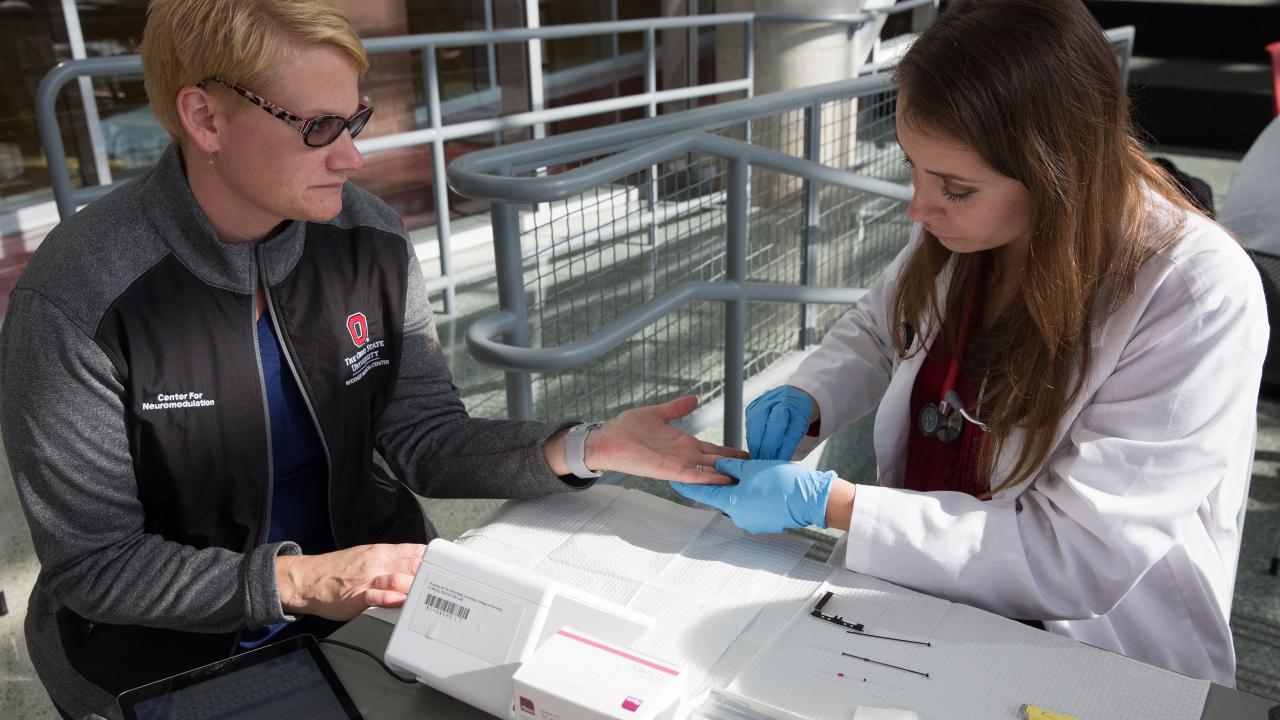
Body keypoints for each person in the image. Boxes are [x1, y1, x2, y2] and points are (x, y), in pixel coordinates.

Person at [0, 1, 744, 717]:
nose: (353, 156)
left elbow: (424, 437)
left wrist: (588, 446)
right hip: (168, 657)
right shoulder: (78, 296)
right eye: (319, 127)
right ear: (204, 118)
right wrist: (298, 580)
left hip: (370, 607)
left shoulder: (369, 237)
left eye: (354, 119)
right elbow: (94, 565)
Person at [674, 0, 1267, 687]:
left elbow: (1075, 555)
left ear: (1058, 169)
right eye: (915, 168)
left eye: (954, 187)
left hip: (1094, 654)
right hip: (925, 606)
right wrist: (810, 399)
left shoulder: (1193, 292)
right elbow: (882, 325)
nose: (918, 208)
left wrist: (833, 504)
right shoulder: (977, 224)